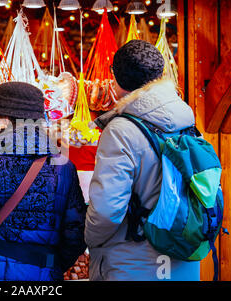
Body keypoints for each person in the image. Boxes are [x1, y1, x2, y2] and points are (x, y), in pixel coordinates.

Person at [0, 82, 87, 281]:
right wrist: (47, 265)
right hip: (43, 276)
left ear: (0, 118)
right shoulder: (63, 166)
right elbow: (76, 233)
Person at [85, 39, 200, 281]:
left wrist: (89, 241)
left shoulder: (120, 130)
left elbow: (107, 211)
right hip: (183, 257)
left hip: (132, 261)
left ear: (118, 79)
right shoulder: (186, 120)